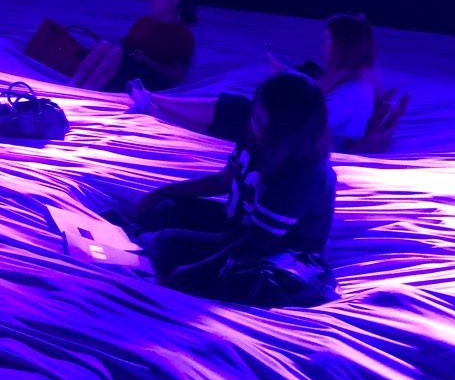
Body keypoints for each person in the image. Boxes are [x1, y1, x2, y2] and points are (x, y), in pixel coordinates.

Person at [133, 70, 337, 308]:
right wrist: (162, 192)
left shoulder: (303, 175)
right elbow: (223, 181)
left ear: (284, 128)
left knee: (166, 244)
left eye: (260, 119)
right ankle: (140, 239)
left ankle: (142, 244)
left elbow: (255, 242)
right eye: (255, 115)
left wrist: (193, 270)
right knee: (165, 208)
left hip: (273, 252)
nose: (253, 123)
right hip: (238, 227)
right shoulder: (258, 138)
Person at [130, 12, 381, 150]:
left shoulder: (356, 89)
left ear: (343, 47)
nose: (324, 46)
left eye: (328, 41)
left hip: (298, 140)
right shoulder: (343, 78)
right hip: (293, 132)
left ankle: (153, 102)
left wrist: (288, 85)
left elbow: (314, 119)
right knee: (236, 108)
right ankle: (153, 102)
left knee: (237, 111)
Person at [69, 0, 196, 91]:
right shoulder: (144, 21)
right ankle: (73, 84)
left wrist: (147, 60)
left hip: (149, 78)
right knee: (104, 45)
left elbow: (176, 75)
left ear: (174, 1)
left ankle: (87, 90)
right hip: (126, 68)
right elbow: (124, 49)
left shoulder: (183, 35)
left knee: (116, 54)